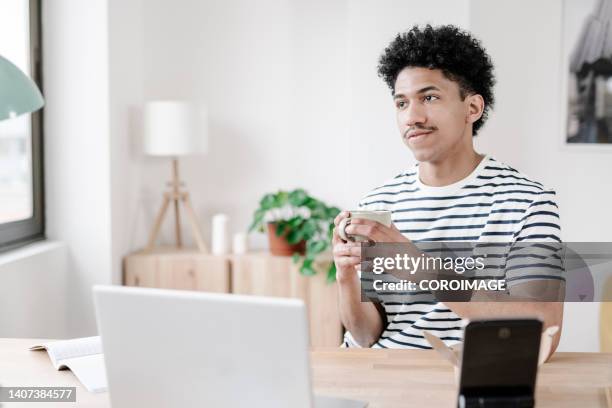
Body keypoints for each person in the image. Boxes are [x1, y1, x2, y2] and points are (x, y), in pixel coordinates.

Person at [332, 25, 564, 356]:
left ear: (472, 108)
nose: (412, 116)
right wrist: (346, 279)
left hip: (472, 381)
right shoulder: (378, 203)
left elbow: (544, 328)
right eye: (401, 103)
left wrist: (419, 267)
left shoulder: (527, 202)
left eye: (429, 97)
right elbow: (366, 336)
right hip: (384, 380)